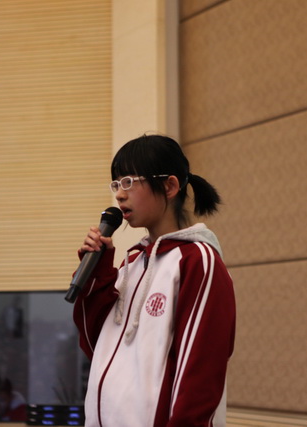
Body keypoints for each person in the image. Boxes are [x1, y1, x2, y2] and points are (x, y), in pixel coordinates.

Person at [73, 134, 236, 427]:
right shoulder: (131, 264)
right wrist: (98, 274)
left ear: (169, 186)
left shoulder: (197, 261)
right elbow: (95, 345)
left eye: (129, 182)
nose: (119, 195)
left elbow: (200, 375)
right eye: (116, 184)